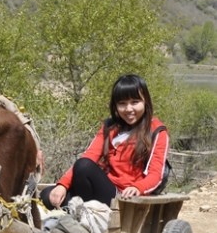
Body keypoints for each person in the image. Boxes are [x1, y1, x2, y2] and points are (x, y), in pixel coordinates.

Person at [41, 74, 170, 210]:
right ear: (115, 106)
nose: (128, 109)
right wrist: (62, 185)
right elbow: (90, 155)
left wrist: (138, 187)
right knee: (47, 196)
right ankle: (83, 210)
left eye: (135, 102)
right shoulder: (110, 127)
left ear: (146, 102)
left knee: (83, 166)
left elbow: (156, 174)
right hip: (102, 188)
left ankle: (82, 212)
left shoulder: (157, 131)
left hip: (123, 196)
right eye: (122, 104)